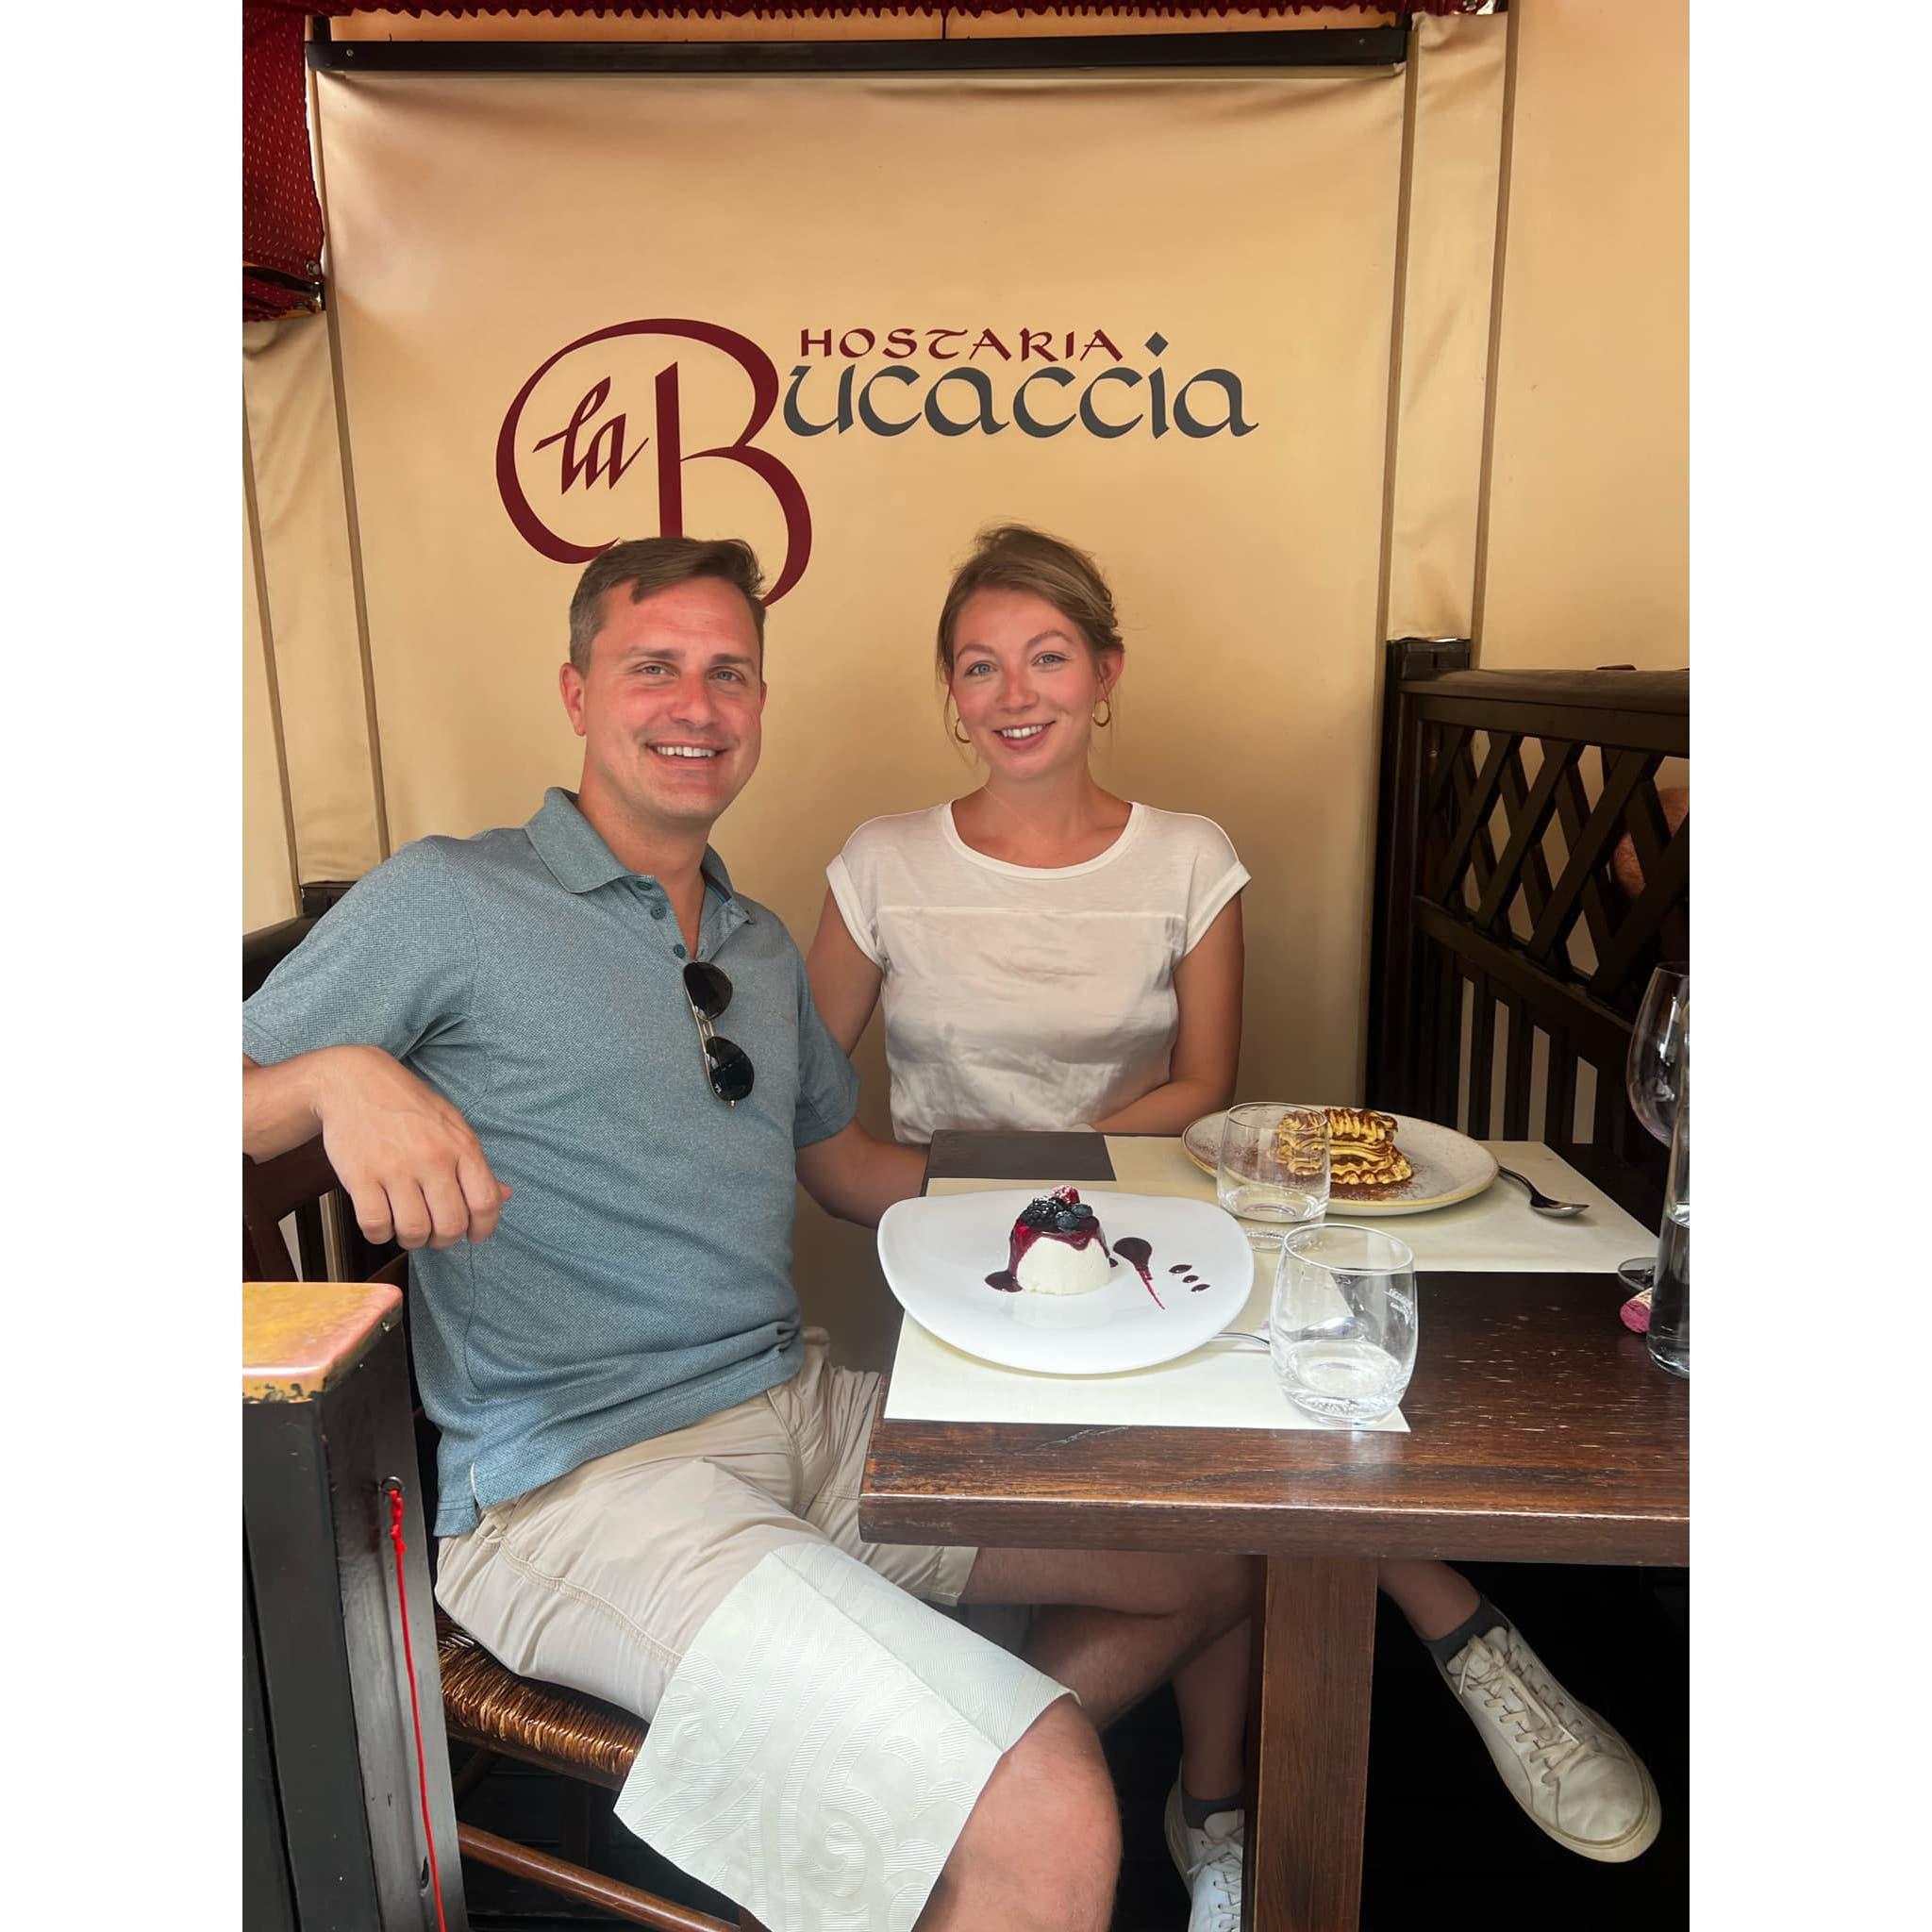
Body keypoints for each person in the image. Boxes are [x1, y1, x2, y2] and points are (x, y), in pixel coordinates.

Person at [242, 536, 1256, 1932]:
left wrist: (1083, 1217)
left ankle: (928, 1806)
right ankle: (987, 1810)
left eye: (729, 673)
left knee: (1220, 1547)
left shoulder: (760, 946)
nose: (695, 704)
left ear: (761, 707)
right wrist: (332, 1076)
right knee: (1049, 1808)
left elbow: (852, 1170)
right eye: (652, 667)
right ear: (577, 692)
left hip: (800, 1410)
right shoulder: (451, 899)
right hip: (582, 1482)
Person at [808, 525, 1660, 1907]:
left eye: (1047, 657)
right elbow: (810, 1123)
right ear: (951, 694)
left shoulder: (1188, 856)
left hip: (1154, 1231)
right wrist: (990, 1207)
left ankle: (1235, 1803)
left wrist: (1064, 1192)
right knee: (1225, 1495)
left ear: (1106, 675)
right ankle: (1442, 1633)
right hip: (966, 1259)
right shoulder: (881, 862)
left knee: (1266, 1440)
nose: (1015, 692)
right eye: (979, 666)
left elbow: (1206, 1084)